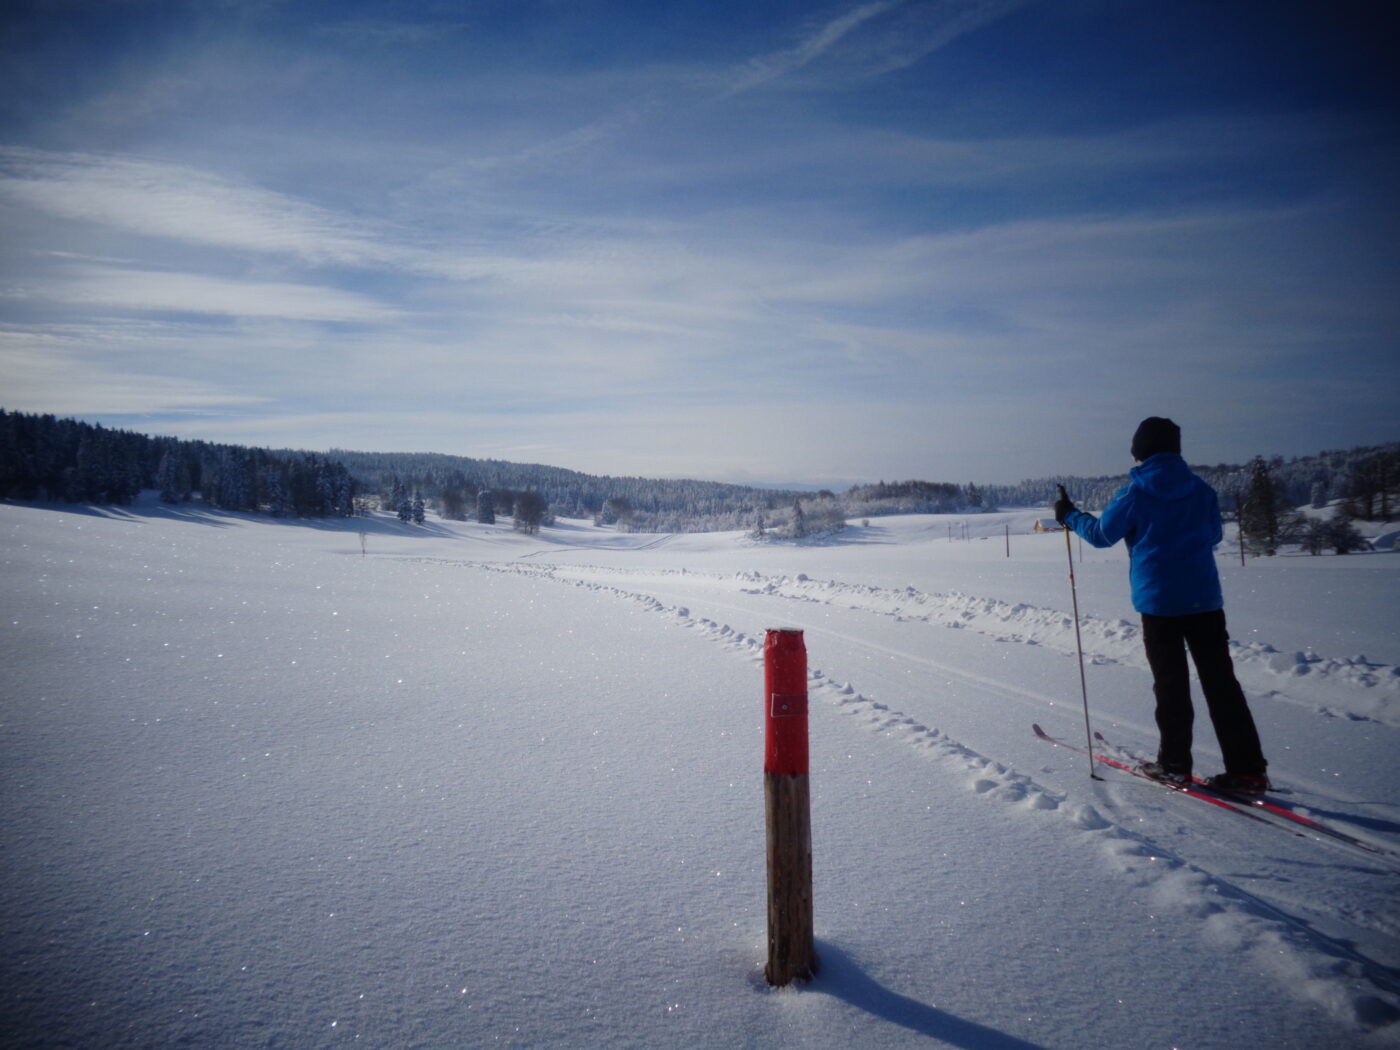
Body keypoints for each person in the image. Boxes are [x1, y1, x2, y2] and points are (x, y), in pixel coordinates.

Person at [1053, 417, 1269, 796]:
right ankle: (1248, 771)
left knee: (1171, 685)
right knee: (1222, 685)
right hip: (1205, 600)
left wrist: (1069, 515)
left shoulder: (1133, 493)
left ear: (1140, 450)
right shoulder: (1201, 489)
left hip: (1159, 603)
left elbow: (1102, 536)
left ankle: (1174, 765)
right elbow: (1214, 535)